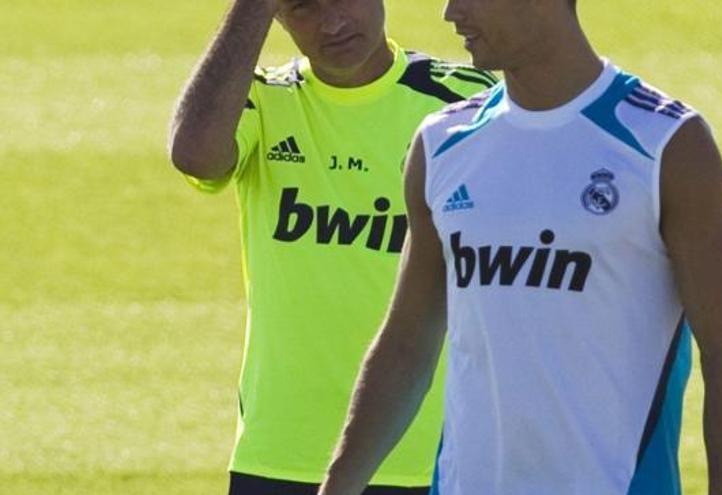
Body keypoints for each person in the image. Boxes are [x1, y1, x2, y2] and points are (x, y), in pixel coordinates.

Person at [317, 0, 722, 494]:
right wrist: (337, 485)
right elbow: (404, 344)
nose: (450, 13)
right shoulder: (441, 145)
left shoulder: (665, 143)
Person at [167, 0, 498, 493]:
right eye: (303, 7)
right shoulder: (260, 98)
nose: (334, 22)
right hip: (282, 455)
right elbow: (196, 155)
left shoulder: (462, 102)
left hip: (432, 455)